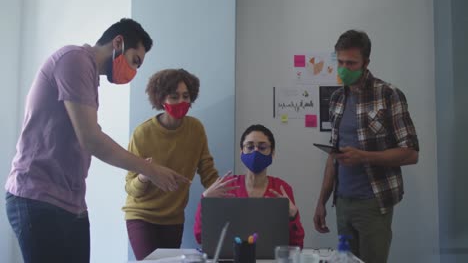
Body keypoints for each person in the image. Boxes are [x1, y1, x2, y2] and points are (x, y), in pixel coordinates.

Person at [4, 18, 189, 263]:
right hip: (38, 195)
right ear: (118, 42)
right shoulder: (74, 59)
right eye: (135, 61)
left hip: (71, 200)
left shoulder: (89, 75)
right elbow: (91, 138)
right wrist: (150, 169)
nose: (132, 72)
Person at [313, 30, 419, 263]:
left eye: (351, 63)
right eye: (340, 62)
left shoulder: (389, 95)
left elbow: (411, 153)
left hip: (374, 202)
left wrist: (364, 156)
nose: (343, 69)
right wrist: (321, 201)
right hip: (342, 202)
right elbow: (334, 156)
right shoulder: (336, 99)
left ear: (366, 63)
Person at [122, 68, 235, 260]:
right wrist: (146, 174)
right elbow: (131, 188)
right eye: (174, 96)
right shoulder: (142, 134)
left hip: (174, 217)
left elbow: (207, 169)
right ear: (161, 99)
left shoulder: (196, 129)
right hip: (141, 215)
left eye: (186, 96)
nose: (181, 102)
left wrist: (222, 193)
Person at [194, 124, 305, 248]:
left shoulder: (282, 189)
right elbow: (200, 236)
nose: (256, 151)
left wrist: (293, 216)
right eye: (250, 146)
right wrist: (205, 200)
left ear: (272, 153)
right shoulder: (226, 186)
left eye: (262, 147)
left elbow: (296, 245)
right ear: (241, 151)